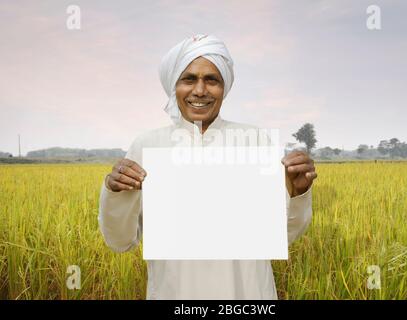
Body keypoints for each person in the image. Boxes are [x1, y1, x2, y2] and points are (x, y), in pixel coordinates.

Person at [98, 34, 317, 300]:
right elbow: (120, 241)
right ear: (173, 85)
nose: (200, 90)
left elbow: (284, 236)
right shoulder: (148, 145)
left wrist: (298, 193)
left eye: (211, 80)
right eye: (188, 79)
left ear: (224, 87)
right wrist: (116, 192)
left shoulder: (256, 140)